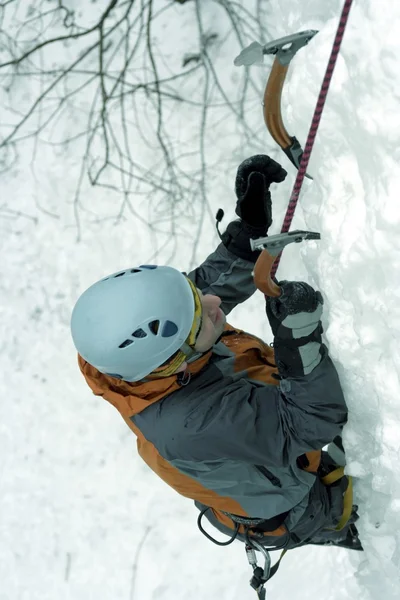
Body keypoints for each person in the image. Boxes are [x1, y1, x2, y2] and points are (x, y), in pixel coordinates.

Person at [70, 155, 362, 552]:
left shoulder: (146, 347)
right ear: (175, 360)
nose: (211, 301)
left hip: (240, 430)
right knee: (351, 506)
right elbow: (312, 423)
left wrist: (247, 234)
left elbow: (206, 288)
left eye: (192, 297)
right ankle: (345, 529)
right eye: (199, 317)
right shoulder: (192, 423)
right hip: (290, 506)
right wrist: (299, 340)